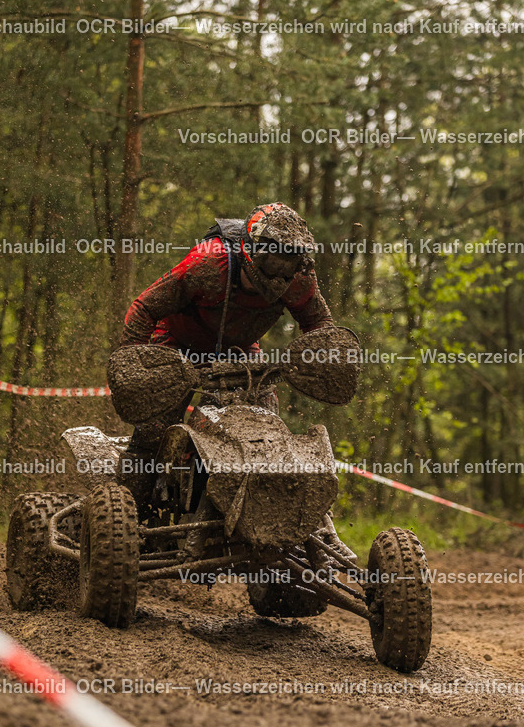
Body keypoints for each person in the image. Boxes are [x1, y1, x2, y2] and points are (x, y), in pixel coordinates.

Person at [117, 200, 353, 560]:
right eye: (274, 260)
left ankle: (301, 527)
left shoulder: (300, 279)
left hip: (240, 351)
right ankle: (127, 518)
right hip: (177, 344)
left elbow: (320, 327)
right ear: (251, 251)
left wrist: (321, 362)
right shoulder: (209, 263)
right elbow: (145, 307)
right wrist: (136, 366)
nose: (280, 274)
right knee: (152, 429)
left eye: (289, 262)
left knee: (267, 430)